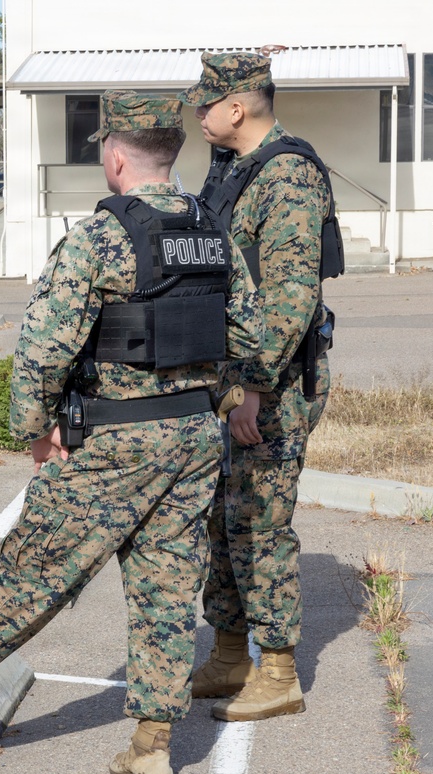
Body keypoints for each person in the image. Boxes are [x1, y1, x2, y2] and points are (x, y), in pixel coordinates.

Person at [0, 91, 263, 774]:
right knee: (165, 591)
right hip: (194, 439)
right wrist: (228, 392)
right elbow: (251, 337)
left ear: (118, 157)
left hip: (115, 446)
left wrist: (35, 433)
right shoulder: (211, 233)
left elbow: (41, 352)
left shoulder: (101, 238)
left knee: (28, 573)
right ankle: (153, 748)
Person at [178, 52, 332, 721]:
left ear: (235, 107)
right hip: (228, 379)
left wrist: (255, 388)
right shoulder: (232, 170)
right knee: (223, 519)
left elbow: (291, 298)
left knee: (260, 523)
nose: (198, 116)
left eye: (204, 105)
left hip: (270, 383)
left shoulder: (289, 176)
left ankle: (279, 670)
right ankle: (231, 653)